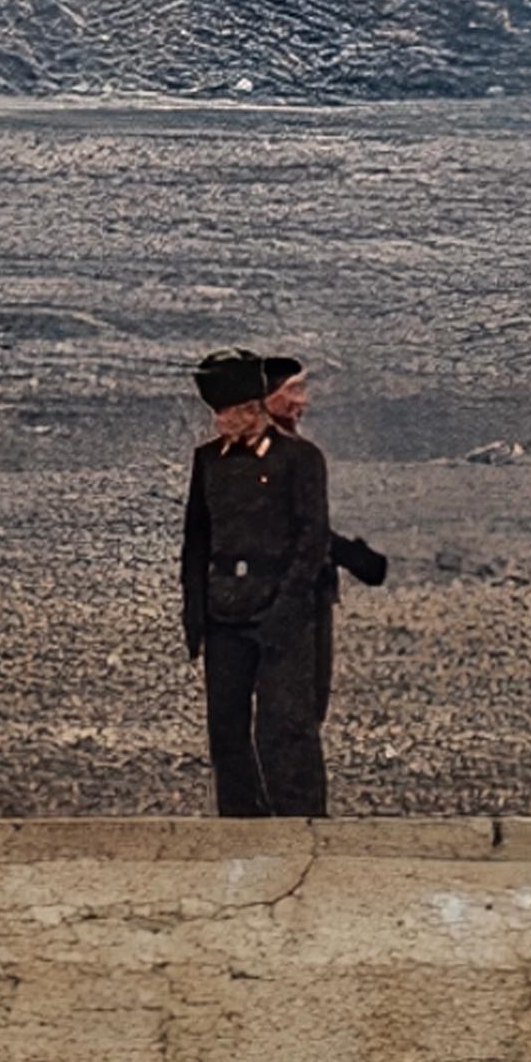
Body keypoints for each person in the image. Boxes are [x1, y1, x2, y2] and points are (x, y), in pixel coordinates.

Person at [179, 350, 334, 818]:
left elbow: (312, 541)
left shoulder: (300, 460)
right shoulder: (208, 462)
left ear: (252, 408)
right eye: (217, 413)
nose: (221, 421)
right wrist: (196, 617)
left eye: (228, 411)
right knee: (227, 732)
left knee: (286, 731)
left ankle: (303, 831)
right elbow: (197, 540)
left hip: (281, 617)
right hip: (225, 614)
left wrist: (285, 614)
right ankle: (239, 832)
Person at [258, 357, 391, 710]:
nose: (304, 401)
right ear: (265, 397)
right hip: (290, 597)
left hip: (301, 592)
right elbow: (294, 528)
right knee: (299, 709)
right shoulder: (275, 456)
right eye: (294, 391)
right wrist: (352, 556)